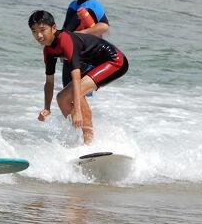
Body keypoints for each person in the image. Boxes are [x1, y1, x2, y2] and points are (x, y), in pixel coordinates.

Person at [28, 10, 128, 144]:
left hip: (115, 60)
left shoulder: (65, 39)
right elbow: (49, 82)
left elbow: (75, 76)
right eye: (34, 31)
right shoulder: (48, 50)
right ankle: (81, 138)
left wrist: (78, 111)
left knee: (75, 93)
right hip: (99, 64)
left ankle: (89, 140)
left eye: (42, 30)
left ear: (53, 28)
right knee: (62, 98)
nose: (39, 35)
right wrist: (47, 108)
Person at [61, 0, 110, 138]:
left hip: (85, 58)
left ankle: (89, 139)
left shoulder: (94, 5)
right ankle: (80, 137)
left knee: (78, 96)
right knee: (69, 97)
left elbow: (104, 27)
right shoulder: (73, 5)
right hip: (71, 57)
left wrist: (79, 35)